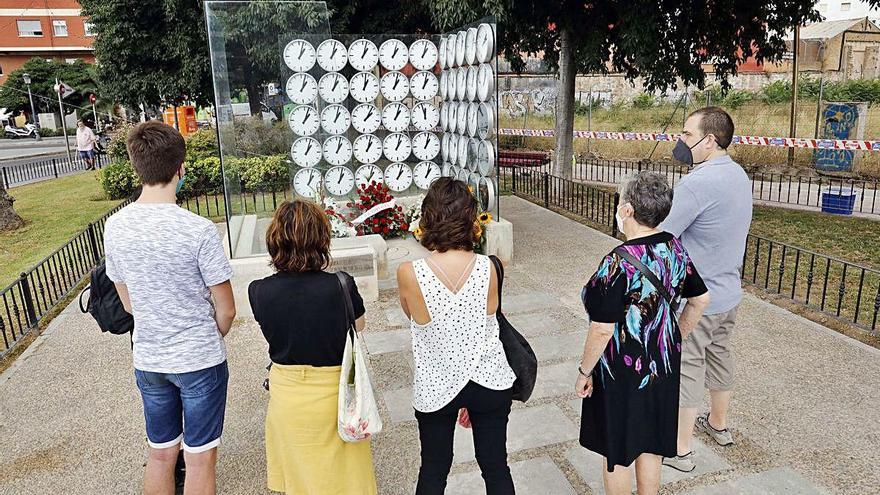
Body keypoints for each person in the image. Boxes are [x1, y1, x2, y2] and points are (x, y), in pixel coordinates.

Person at [104, 121, 236, 495]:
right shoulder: (198, 230)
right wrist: (208, 334)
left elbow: (127, 301)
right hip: (198, 358)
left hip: (148, 356)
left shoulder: (115, 226)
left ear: (136, 167)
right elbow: (226, 309)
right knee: (199, 458)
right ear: (180, 168)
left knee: (161, 453)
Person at [576, 172, 710, 495]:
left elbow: (602, 328)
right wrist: (675, 336)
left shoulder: (617, 264)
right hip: (661, 369)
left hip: (621, 373)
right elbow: (700, 299)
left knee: (618, 450)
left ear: (628, 211)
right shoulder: (674, 248)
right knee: (650, 440)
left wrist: (584, 371)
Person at [397, 177, 517, 495]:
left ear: (428, 217)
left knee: (434, 470)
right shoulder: (491, 267)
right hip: (490, 380)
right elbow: (486, 319)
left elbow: (414, 317)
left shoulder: (409, 272)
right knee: (495, 466)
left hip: (437, 383)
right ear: (470, 218)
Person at [248, 199, 377, 495]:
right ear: (321, 238)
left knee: (300, 478)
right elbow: (358, 326)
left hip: (288, 393)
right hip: (337, 393)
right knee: (347, 480)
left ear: (275, 239)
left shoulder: (259, 290)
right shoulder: (341, 285)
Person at [659, 107, 752, 473]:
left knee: (688, 367)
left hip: (698, 300)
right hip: (729, 292)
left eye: (686, 133)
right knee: (720, 355)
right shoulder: (738, 174)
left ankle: (680, 451)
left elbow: (663, 231)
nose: (681, 141)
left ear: (709, 139)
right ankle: (718, 423)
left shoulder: (698, 183)